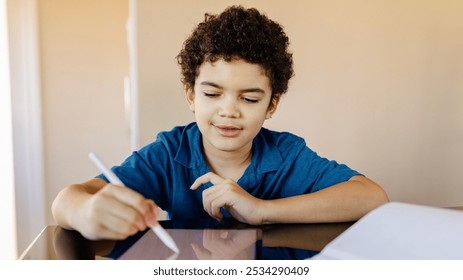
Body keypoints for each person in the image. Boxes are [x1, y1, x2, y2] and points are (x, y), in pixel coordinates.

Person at [52, 6, 388, 241]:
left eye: (250, 99)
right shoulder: (169, 153)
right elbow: (67, 201)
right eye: (212, 94)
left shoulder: (287, 155)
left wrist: (261, 210)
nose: (229, 112)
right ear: (191, 96)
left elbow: (372, 197)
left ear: (272, 105)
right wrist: (86, 213)